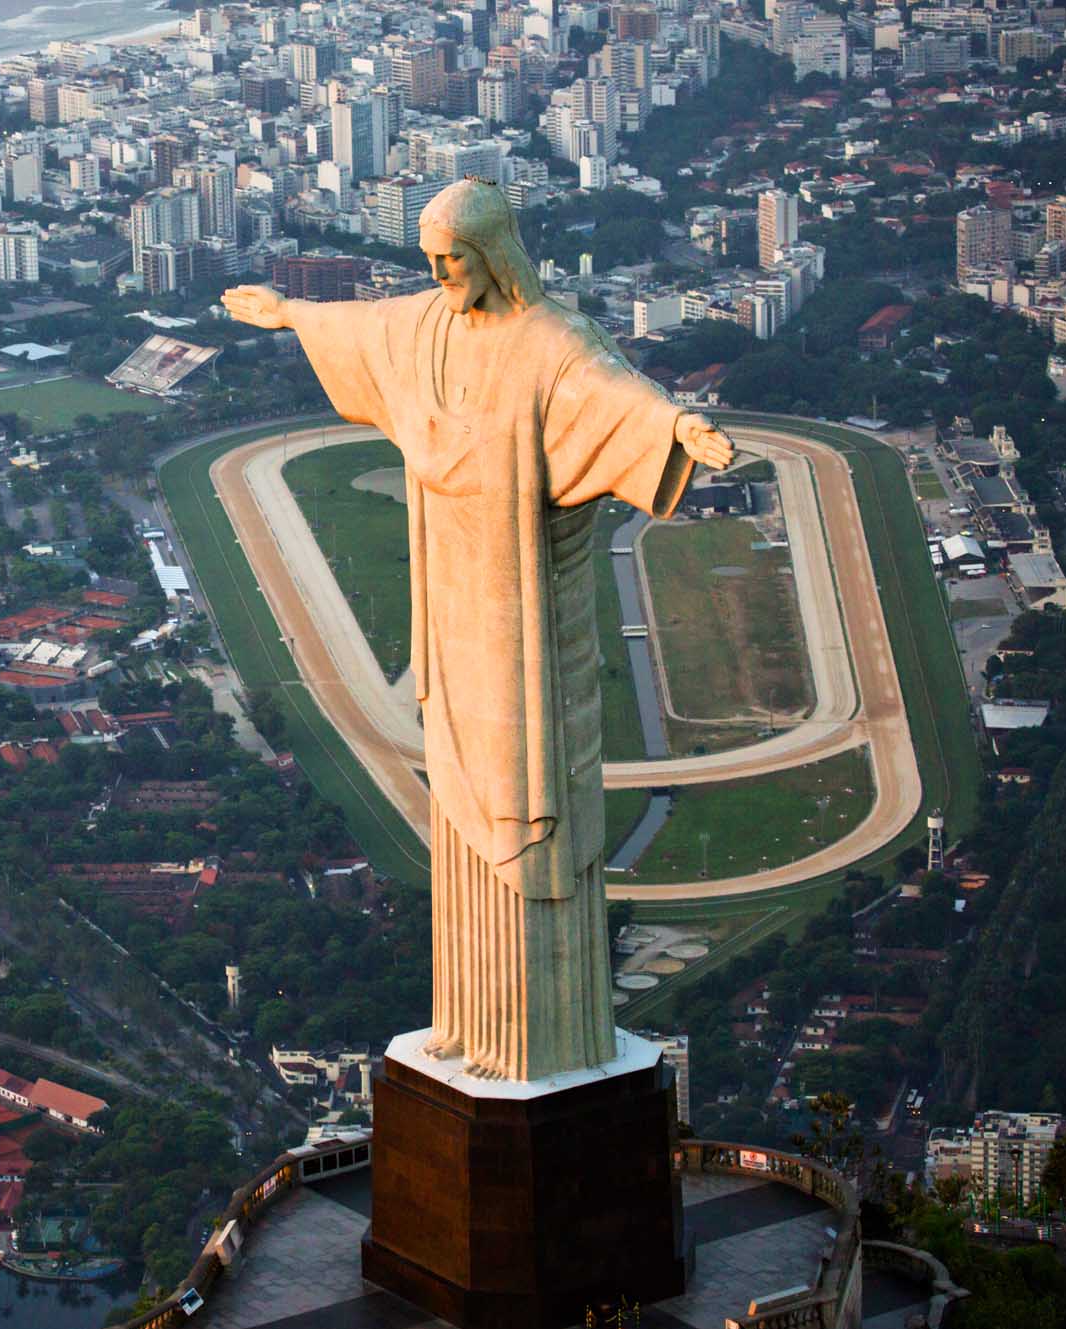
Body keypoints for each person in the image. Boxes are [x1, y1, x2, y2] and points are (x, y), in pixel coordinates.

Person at [223, 179, 733, 1081]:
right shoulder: (426, 326)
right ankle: (468, 1024)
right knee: (460, 808)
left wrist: (681, 424)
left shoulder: (550, 343)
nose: (439, 273)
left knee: (523, 800)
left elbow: (614, 395)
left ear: (494, 252)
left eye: (452, 257)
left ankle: (539, 1038)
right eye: (430, 259)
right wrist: (289, 313)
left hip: (524, 618)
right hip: (452, 603)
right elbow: (362, 328)